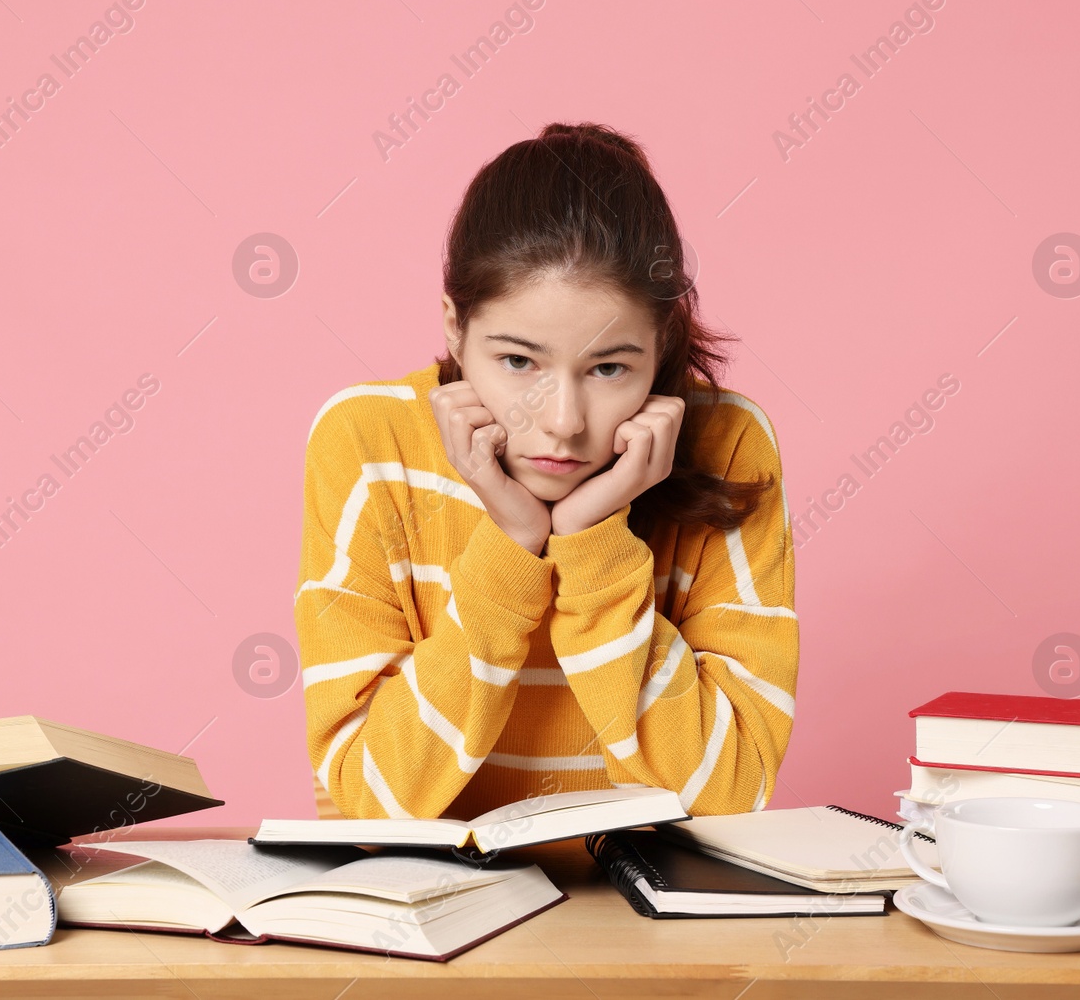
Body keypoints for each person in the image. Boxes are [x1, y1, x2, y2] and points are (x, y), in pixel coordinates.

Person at [294, 122, 798, 821]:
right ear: (454, 326)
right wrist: (509, 550)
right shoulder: (370, 441)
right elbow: (369, 800)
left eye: (610, 368)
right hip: (440, 913)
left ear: (661, 347)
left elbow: (732, 795)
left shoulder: (729, 444)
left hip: (647, 919)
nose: (562, 419)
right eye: (519, 362)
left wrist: (593, 542)